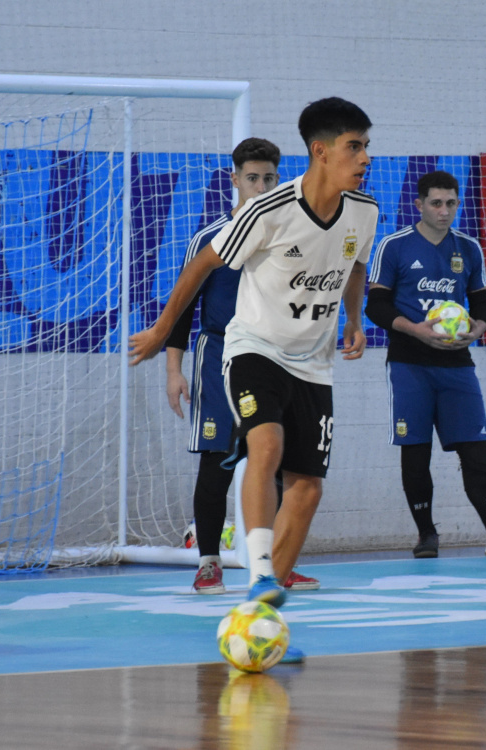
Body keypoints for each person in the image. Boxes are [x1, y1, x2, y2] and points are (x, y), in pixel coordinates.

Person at [131, 97, 378, 661]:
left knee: (308, 488)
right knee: (265, 445)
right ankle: (259, 571)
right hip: (253, 349)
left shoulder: (363, 211)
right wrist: (161, 332)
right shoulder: (269, 209)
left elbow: (357, 264)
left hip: (313, 361)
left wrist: (355, 318)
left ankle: (261, 615)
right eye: (355, 146)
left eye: (366, 146)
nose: (365, 157)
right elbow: (200, 265)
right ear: (320, 151)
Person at [164, 137, 319, 595]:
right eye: (253, 178)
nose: (261, 187)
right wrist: (173, 371)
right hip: (217, 357)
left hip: (273, 358)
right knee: (217, 463)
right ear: (235, 180)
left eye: (269, 178)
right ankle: (208, 562)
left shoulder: (291, 237)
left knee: (279, 463)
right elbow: (181, 311)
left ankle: (279, 565)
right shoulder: (210, 239)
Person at [365, 170, 486, 559]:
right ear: (419, 205)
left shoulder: (468, 248)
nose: (444, 211)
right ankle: (426, 535)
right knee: (415, 451)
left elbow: (483, 303)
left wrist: (478, 328)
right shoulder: (394, 246)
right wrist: (415, 330)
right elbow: (376, 305)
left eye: (451, 204)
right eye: (436, 203)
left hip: (457, 364)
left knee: (476, 449)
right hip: (409, 364)